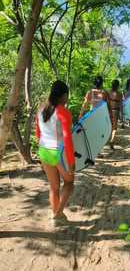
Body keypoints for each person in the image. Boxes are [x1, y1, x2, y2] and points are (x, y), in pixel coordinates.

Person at [36, 80, 75, 227]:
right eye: (66, 95)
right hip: (58, 152)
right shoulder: (64, 112)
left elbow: (38, 133)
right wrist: (71, 161)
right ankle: (58, 215)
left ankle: (56, 215)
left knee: (53, 186)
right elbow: (67, 138)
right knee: (69, 182)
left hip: (43, 150)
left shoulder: (40, 109)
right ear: (63, 95)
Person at [107, 79, 124, 149]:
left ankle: (110, 139)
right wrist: (122, 114)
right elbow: (120, 105)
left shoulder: (108, 92)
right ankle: (112, 140)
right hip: (115, 112)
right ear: (118, 86)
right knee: (114, 128)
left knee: (109, 127)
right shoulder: (120, 94)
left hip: (108, 111)